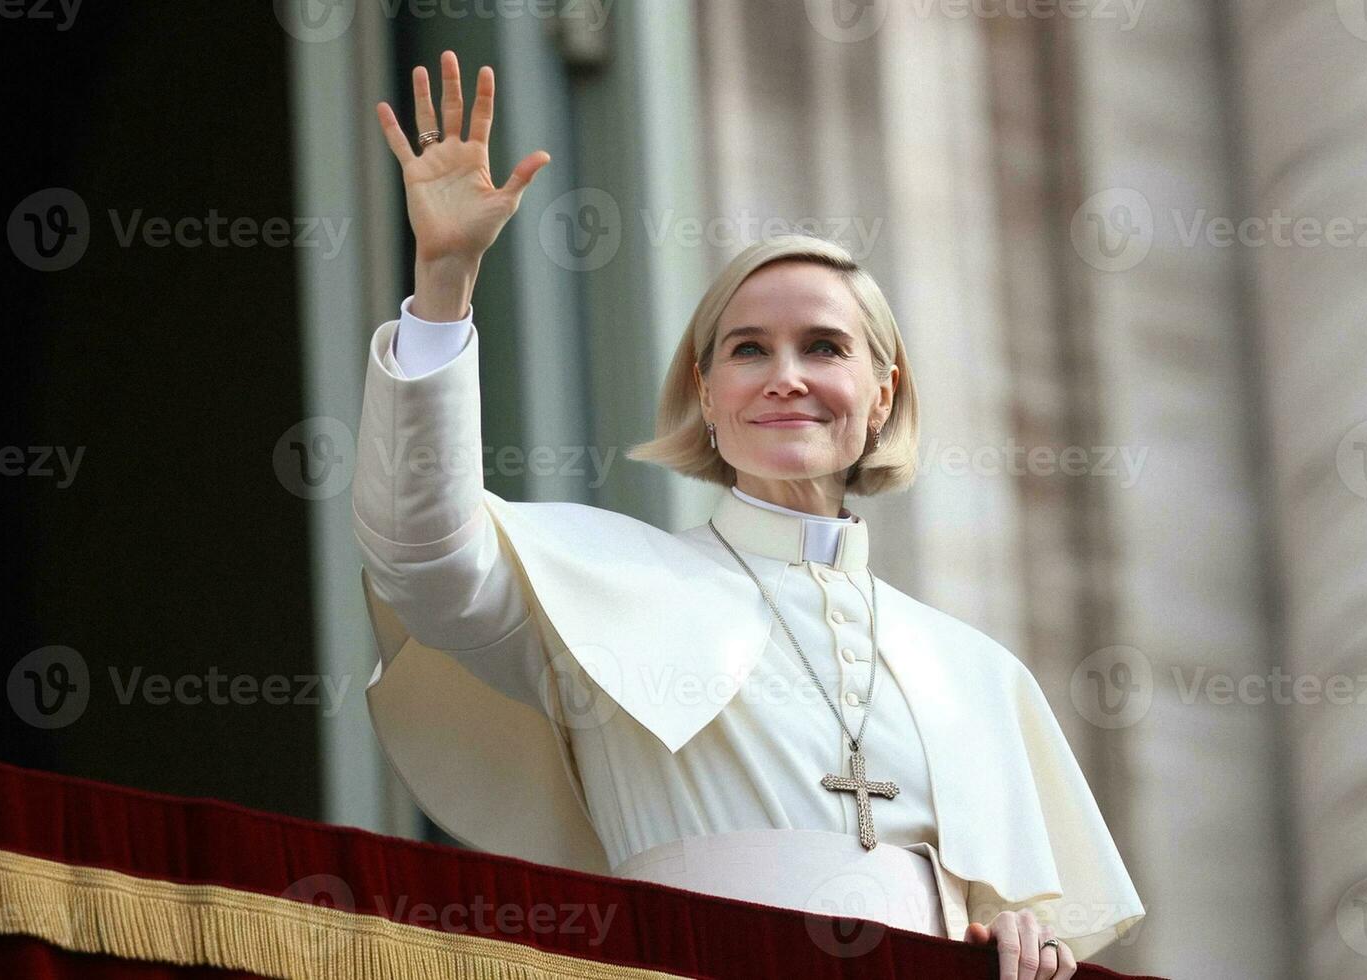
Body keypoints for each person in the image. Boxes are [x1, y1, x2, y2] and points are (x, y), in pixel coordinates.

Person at [356, 50, 1145, 980]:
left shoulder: (977, 672)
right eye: (747, 350)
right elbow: (425, 557)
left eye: (824, 346)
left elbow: (1020, 921)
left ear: (881, 394)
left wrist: (1026, 942)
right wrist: (444, 286)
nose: (786, 378)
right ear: (708, 393)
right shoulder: (603, 583)